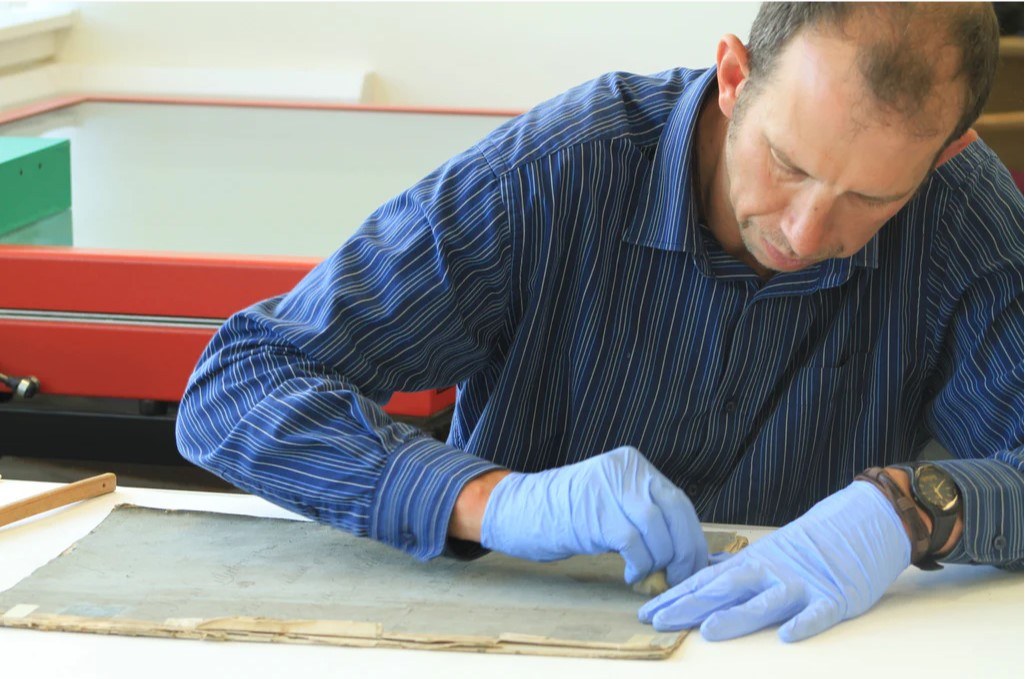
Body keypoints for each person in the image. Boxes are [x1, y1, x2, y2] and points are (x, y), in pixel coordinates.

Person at [176, 2, 1023, 643]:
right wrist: (493, 502)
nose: (804, 234)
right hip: (517, 642)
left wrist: (915, 507)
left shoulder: (960, 218)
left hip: (802, 651)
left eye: (870, 199)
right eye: (786, 163)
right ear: (733, 77)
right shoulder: (557, 173)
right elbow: (239, 380)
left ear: (943, 154)